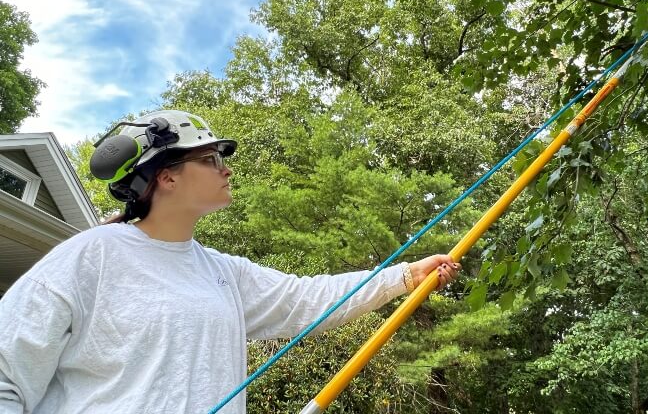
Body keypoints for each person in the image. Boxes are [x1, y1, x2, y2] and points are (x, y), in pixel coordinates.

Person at [0, 110, 460, 413]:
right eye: (211, 158)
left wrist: (404, 276)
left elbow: (305, 298)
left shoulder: (222, 271)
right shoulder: (90, 254)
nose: (227, 168)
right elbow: (7, 374)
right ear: (166, 177)